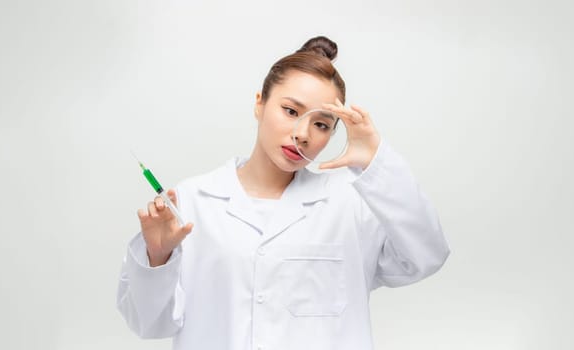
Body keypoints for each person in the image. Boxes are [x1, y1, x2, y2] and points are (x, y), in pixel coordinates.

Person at [117, 36, 450, 350]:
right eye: (291, 111)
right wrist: (156, 258)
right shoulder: (192, 202)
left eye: (321, 124)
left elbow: (426, 256)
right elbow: (149, 323)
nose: (302, 134)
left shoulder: (351, 203)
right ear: (260, 103)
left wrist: (375, 162)